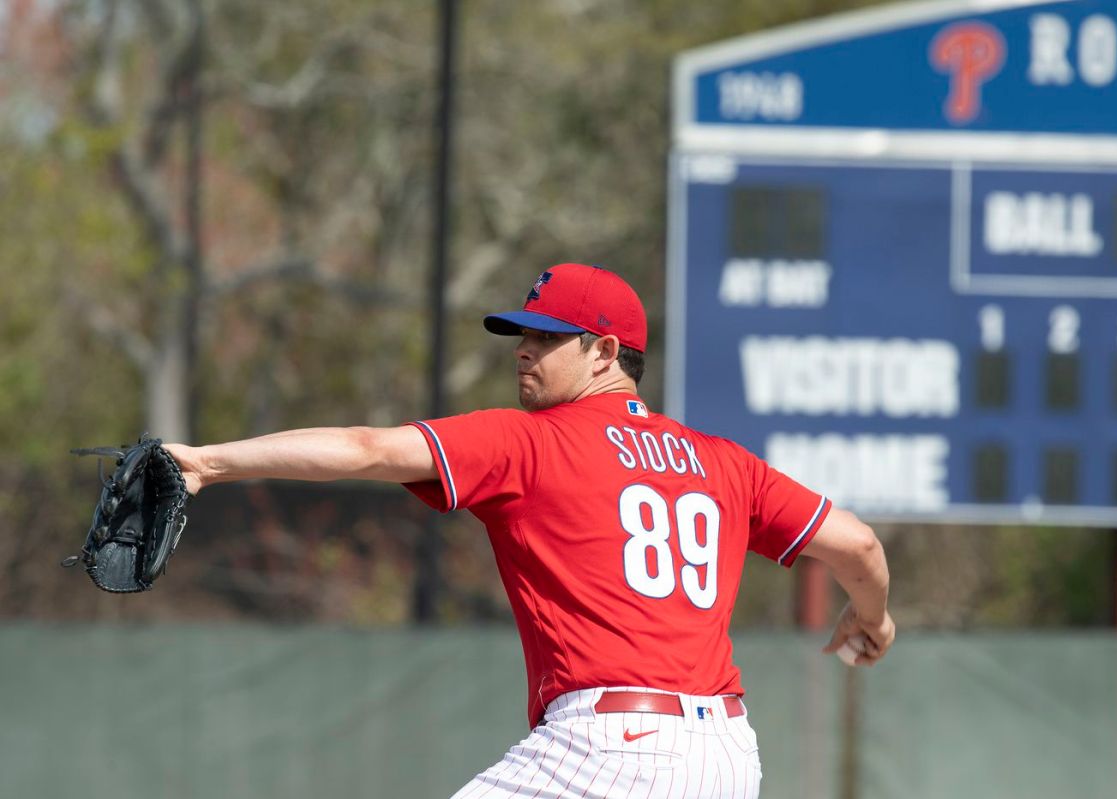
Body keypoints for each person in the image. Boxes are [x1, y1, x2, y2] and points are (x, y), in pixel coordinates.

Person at [166, 262, 894, 798]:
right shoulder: (724, 462)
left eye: (549, 338)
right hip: (726, 759)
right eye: (523, 334)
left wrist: (206, 462)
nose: (524, 348)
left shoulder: (531, 443)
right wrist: (873, 617)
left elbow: (367, 448)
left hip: (610, 746)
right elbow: (859, 545)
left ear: (606, 352)